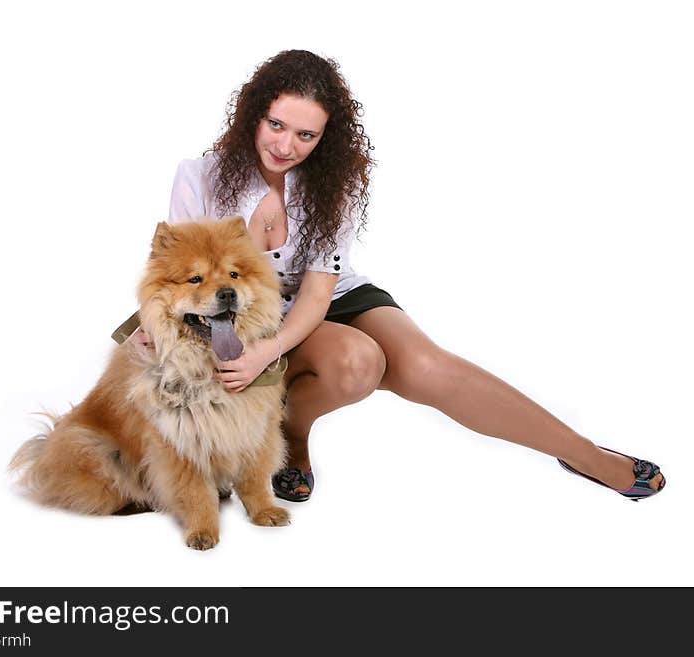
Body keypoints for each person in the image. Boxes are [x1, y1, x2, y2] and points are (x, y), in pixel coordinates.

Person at [138, 49, 666, 503]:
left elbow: (320, 290)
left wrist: (264, 354)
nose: (285, 145)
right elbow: (181, 272)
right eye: (276, 125)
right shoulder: (200, 177)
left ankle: (584, 455)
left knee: (426, 367)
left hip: (325, 298)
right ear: (254, 114)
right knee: (356, 364)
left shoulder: (330, 188)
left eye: (305, 134)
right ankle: (291, 437)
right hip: (246, 308)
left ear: (324, 137)